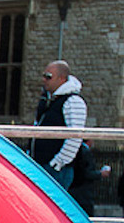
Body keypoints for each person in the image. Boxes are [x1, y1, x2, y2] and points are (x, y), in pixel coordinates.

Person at [30, 60, 86, 189]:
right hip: (41, 165)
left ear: (61, 78)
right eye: (44, 75)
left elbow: (75, 136)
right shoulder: (48, 100)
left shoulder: (73, 101)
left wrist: (57, 163)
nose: (44, 80)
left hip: (56, 169)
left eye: (48, 76)